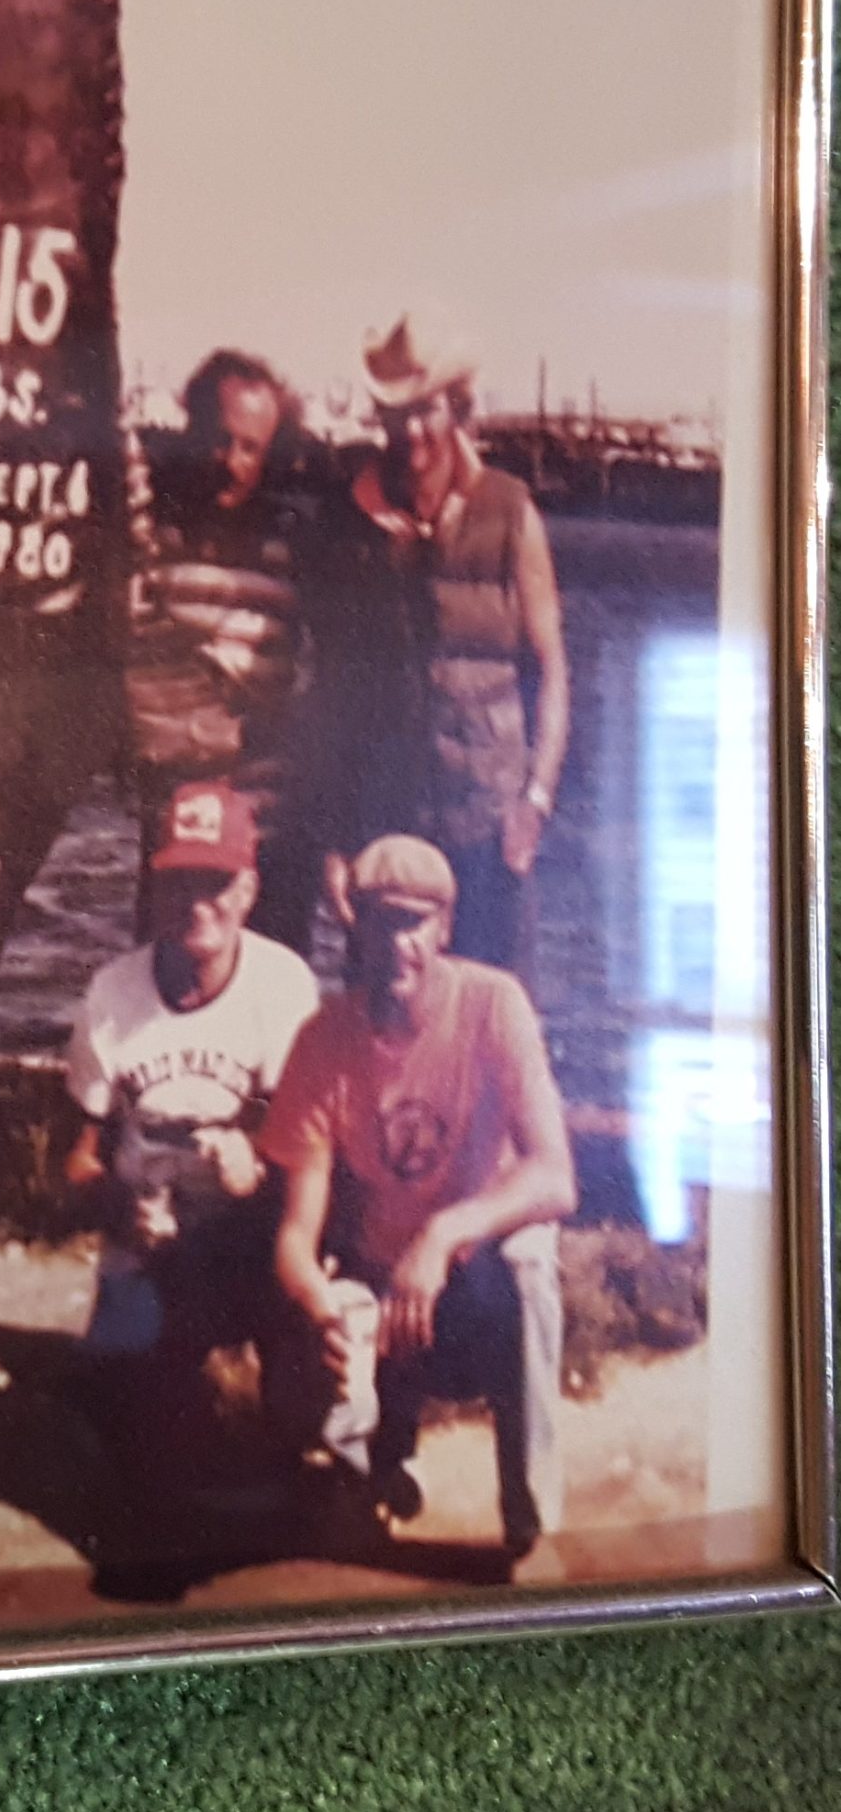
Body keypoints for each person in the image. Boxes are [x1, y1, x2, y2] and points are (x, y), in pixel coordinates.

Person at [258, 834, 576, 1565]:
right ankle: (371, 1469)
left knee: (530, 1263)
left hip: (474, 1272)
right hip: (382, 1277)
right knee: (327, 1323)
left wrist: (443, 1235)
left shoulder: (494, 1004)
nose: (393, 943)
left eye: (411, 922)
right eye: (376, 920)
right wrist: (319, 1304)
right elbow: (294, 1236)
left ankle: (531, 1528)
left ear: (443, 928)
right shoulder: (323, 1038)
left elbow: (554, 1175)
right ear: (353, 927)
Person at [63, 779, 319, 1467]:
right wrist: (120, 1209)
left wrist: (260, 1168)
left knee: (303, 1413)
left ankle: (277, 1386)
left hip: (249, 1238)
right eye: (180, 883)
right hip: (150, 1246)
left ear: (247, 889)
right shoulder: (111, 992)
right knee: (130, 1448)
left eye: (215, 881)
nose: (197, 904)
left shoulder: (285, 985)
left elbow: (314, 1153)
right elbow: (75, 1160)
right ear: (156, 890)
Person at [318, 313, 570, 972]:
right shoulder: (348, 525)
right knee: (385, 1022)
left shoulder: (510, 512)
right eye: (395, 414)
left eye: (425, 410)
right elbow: (329, 699)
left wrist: (534, 802)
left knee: (495, 1015)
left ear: (454, 409)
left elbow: (550, 674)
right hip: (386, 823)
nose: (412, 432)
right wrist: (336, 840)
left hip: (489, 830)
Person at [126, 348, 326, 953]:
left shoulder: (299, 546)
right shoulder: (152, 534)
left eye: (249, 448)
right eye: (217, 439)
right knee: (165, 1004)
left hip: (272, 831)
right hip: (179, 830)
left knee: (277, 1016)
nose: (229, 461)